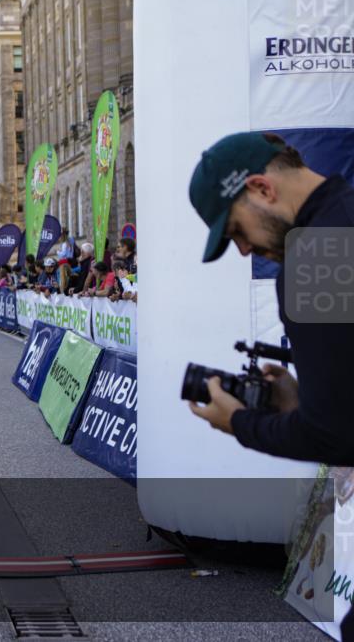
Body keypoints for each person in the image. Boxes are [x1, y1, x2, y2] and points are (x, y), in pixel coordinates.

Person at [185, 131, 354, 640]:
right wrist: (305, 399)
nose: (242, 249)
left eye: (235, 230)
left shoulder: (314, 257)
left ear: (261, 187)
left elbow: (334, 439)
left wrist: (238, 421)